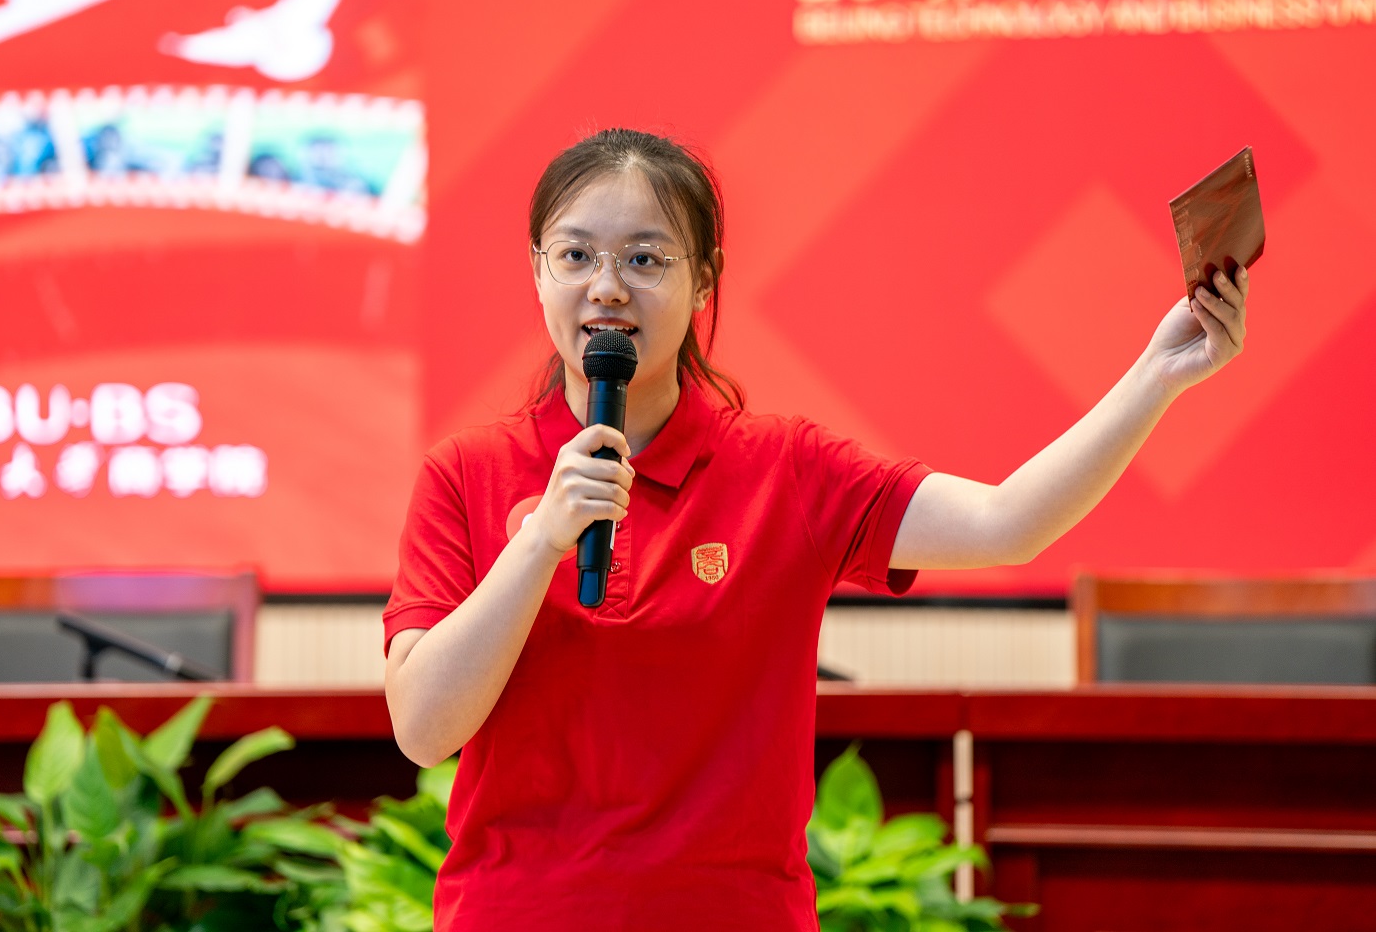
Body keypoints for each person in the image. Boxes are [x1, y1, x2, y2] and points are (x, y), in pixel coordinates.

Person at [382, 128, 1250, 930]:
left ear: (705, 278)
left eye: (645, 258)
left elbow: (1006, 522)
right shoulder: (464, 473)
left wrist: (1158, 373)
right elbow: (424, 730)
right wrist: (540, 541)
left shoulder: (784, 469)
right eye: (575, 255)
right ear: (537, 271)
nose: (606, 286)